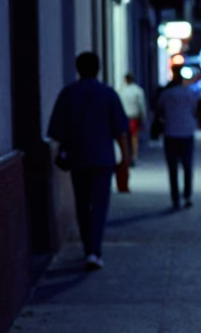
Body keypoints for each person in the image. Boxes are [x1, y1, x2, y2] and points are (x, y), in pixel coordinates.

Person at [47, 51, 130, 270]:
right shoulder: (108, 93)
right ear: (98, 68)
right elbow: (121, 129)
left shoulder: (68, 93)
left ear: (78, 68)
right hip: (103, 158)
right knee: (100, 205)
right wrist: (125, 158)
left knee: (82, 205)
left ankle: (88, 249)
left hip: (78, 158)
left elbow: (55, 131)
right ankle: (94, 250)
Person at [154, 64, 198, 210]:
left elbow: (159, 110)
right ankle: (188, 196)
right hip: (187, 131)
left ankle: (175, 198)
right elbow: (194, 108)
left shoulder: (166, 94)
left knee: (172, 167)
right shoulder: (190, 93)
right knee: (187, 166)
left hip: (171, 132)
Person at [119, 73, 147, 166]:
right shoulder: (138, 91)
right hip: (134, 118)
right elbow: (141, 106)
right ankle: (133, 156)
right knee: (134, 138)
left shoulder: (121, 91)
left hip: (123, 117)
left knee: (125, 139)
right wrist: (143, 117)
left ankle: (126, 156)